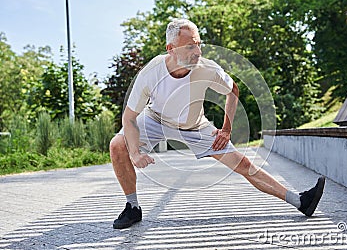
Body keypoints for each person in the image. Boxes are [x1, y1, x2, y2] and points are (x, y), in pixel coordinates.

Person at [110, 18, 325, 229]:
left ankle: (300, 201)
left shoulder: (208, 69)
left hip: (194, 126)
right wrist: (136, 153)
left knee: (244, 165)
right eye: (190, 46)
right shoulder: (151, 72)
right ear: (171, 48)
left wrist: (226, 129)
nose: (198, 51)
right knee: (117, 145)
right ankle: (132, 207)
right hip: (155, 118)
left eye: (199, 44)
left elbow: (233, 91)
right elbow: (129, 118)